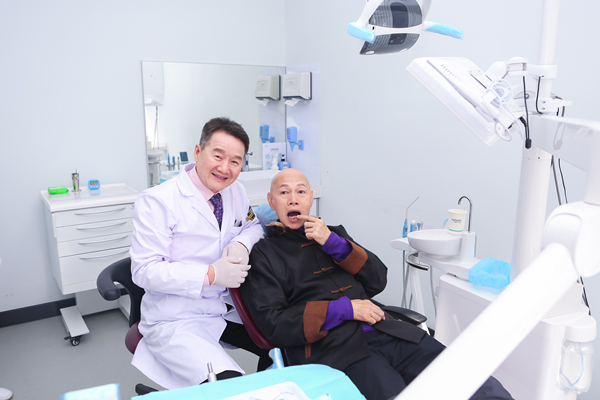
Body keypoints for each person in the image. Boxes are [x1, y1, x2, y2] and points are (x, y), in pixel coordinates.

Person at [240, 169, 513, 400]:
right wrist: (346, 309)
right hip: (335, 349)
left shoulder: (334, 235)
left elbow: (377, 279)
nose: (293, 198)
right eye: (284, 192)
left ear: (310, 198)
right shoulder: (264, 255)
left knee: (477, 384)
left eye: (301, 191)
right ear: (271, 201)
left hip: (388, 331)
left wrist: (333, 243)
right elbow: (274, 325)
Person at [130, 117, 270, 390]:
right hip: (178, 316)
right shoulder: (158, 200)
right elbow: (144, 271)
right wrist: (210, 274)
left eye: (235, 161)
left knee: (284, 343)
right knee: (228, 386)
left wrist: (242, 243)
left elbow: (253, 226)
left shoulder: (235, 191)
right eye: (218, 156)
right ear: (198, 151)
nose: (225, 168)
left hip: (226, 307)